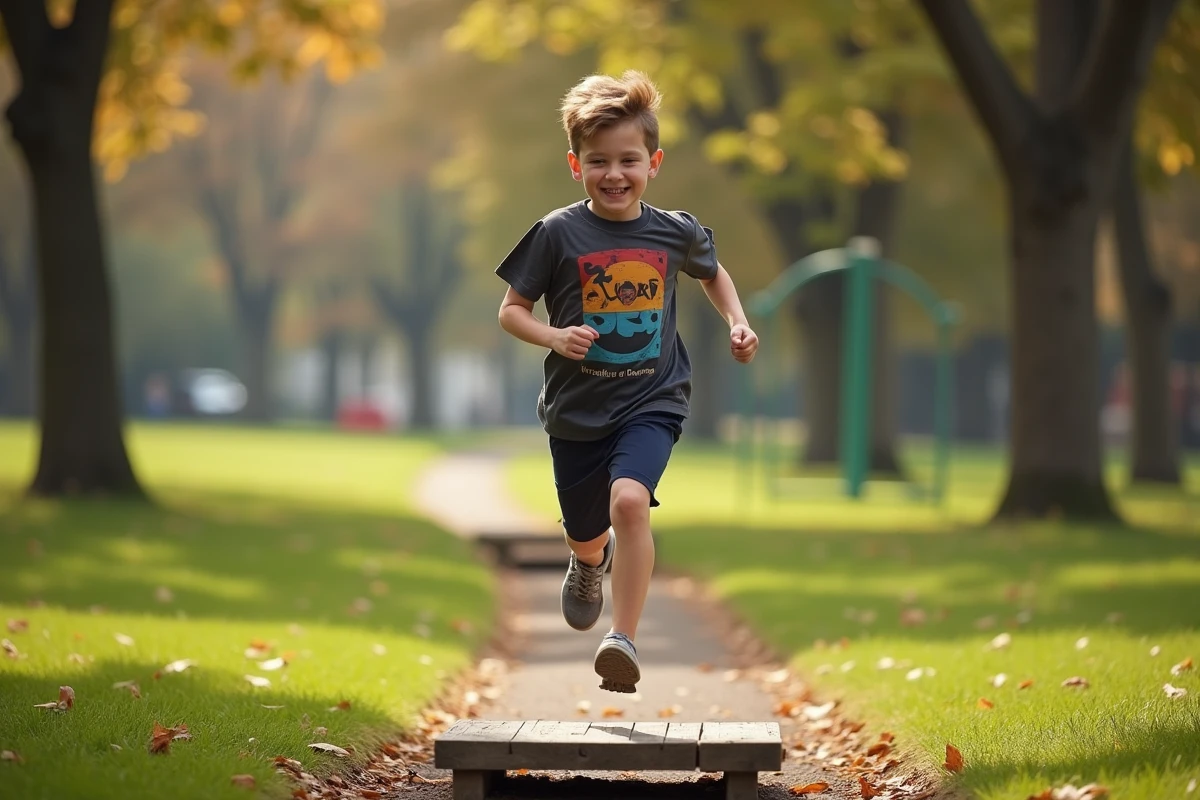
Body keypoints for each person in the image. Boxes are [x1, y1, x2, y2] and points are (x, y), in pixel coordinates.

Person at [495, 70, 760, 693]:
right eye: (598, 161)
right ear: (575, 165)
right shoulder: (557, 232)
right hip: (577, 411)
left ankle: (624, 638)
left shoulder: (674, 231)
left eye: (629, 160)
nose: (614, 174)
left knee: (630, 502)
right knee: (588, 534)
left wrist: (739, 322)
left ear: (654, 162)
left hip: (653, 397)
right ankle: (588, 563)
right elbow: (511, 310)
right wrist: (555, 337)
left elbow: (712, 274)